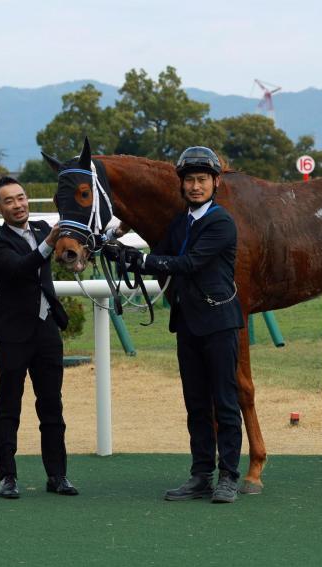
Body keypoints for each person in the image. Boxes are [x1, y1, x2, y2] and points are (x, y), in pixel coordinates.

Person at [102, 146, 244, 504]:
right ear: (181, 186)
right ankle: (201, 475)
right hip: (189, 323)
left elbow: (187, 263)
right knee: (196, 404)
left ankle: (228, 475)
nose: (195, 187)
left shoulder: (222, 222)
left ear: (214, 183)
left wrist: (143, 261)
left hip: (219, 323)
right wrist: (119, 253)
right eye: (190, 181)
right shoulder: (180, 223)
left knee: (225, 402)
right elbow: (158, 255)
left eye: (201, 180)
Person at [0, 176, 77, 499]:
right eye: (9, 201)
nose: (18, 205)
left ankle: (57, 475)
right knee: (9, 405)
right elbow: (21, 268)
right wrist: (49, 244)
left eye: (21, 198)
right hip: (12, 334)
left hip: (46, 329)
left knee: (52, 404)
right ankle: (7, 477)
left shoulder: (41, 227)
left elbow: (70, 244)